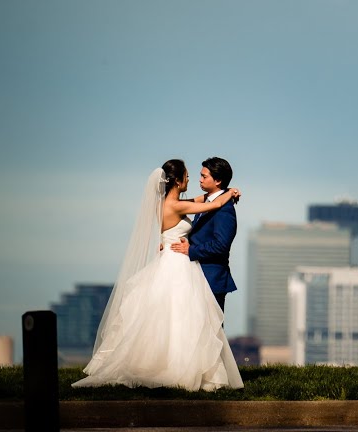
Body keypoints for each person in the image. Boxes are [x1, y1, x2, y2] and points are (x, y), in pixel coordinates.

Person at [72, 159, 245, 391]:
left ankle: (179, 366)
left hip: (181, 265)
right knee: (181, 321)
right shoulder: (178, 205)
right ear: (177, 180)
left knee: (174, 321)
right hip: (179, 265)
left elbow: (208, 213)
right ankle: (185, 370)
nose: (194, 178)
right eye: (190, 175)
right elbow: (210, 205)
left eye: (203, 176)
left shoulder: (170, 203)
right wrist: (229, 193)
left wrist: (226, 195)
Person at [169, 156, 238, 311]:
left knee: (212, 333)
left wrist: (190, 250)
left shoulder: (224, 210)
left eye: (204, 176)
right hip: (195, 278)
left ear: (218, 181)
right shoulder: (207, 202)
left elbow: (220, 245)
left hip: (211, 281)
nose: (199, 180)